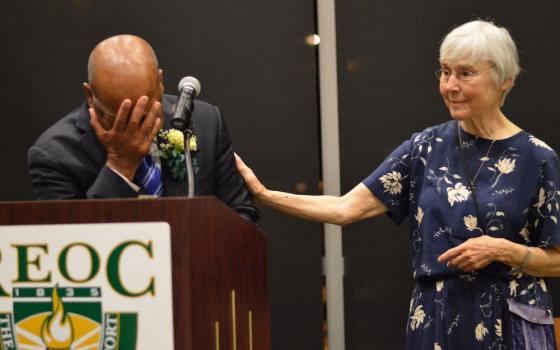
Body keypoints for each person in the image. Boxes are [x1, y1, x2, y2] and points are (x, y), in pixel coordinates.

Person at [236, 20, 560, 349]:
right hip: (437, 318)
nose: (450, 86)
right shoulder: (425, 148)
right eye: (445, 72)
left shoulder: (539, 158)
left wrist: (503, 249)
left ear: (504, 79)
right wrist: (264, 195)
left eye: (465, 73)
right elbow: (344, 208)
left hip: (509, 321)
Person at [28, 35, 259, 223]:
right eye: (121, 116)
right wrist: (120, 165)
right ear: (90, 95)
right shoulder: (55, 155)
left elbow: (241, 213)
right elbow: (73, 247)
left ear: (160, 82)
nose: (136, 124)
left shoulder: (204, 121)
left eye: (147, 110)